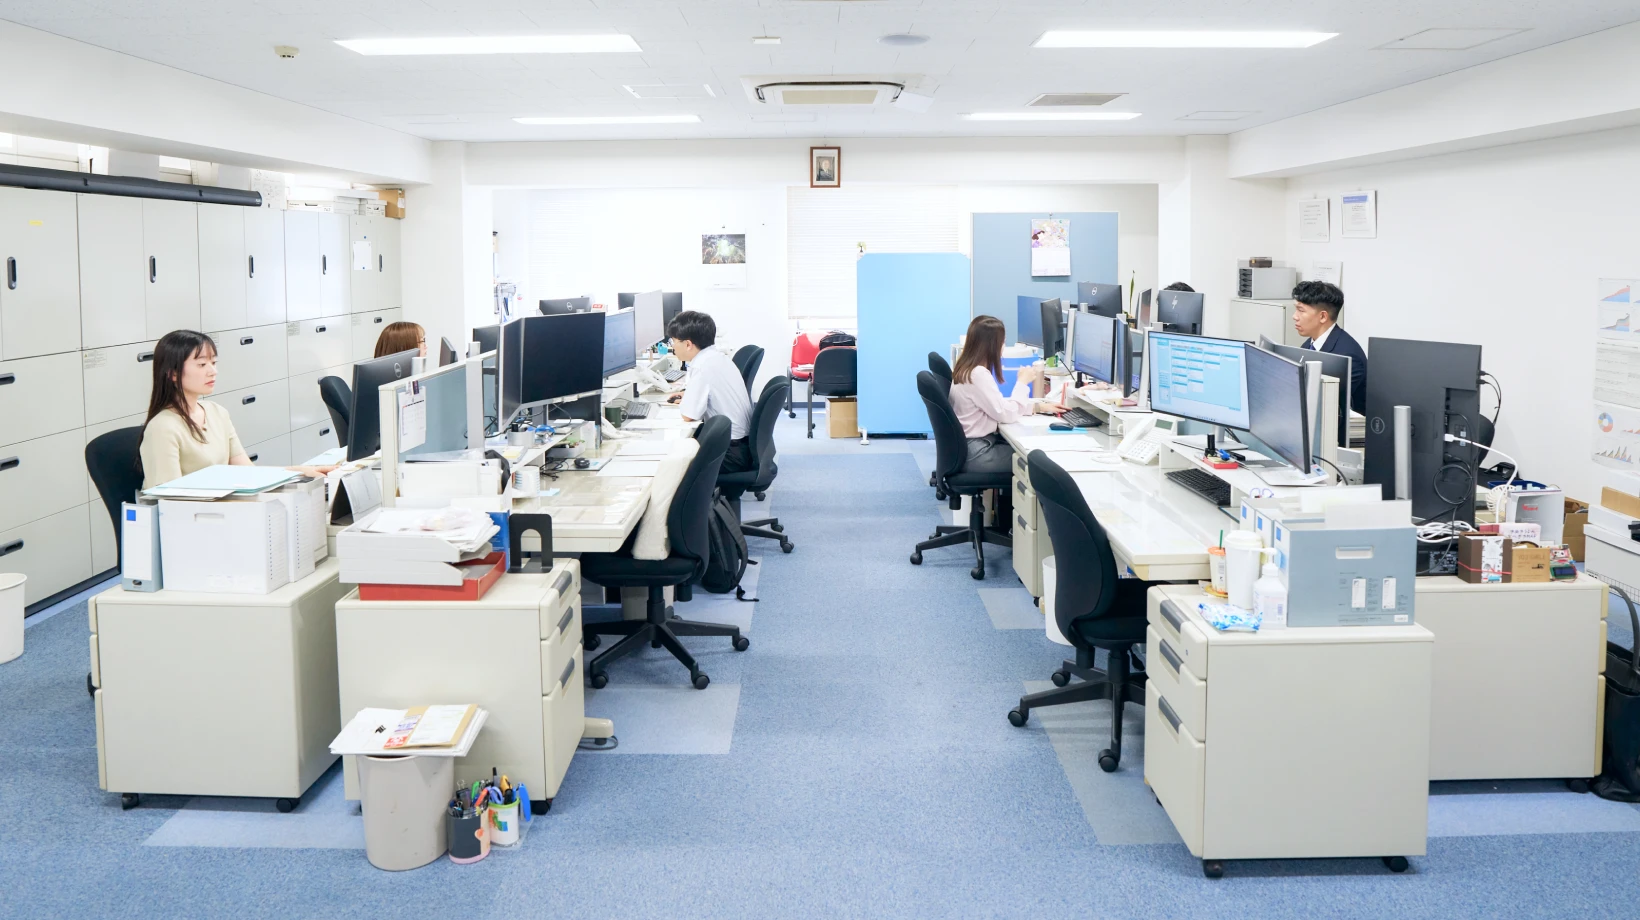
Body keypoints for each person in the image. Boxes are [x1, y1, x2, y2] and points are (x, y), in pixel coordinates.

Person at [140, 330, 335, 489]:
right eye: (202, 364)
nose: (213, 371)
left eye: (213, 363)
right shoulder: (162, 428)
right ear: (173, 374)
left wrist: (301, 472)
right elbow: (168, 498)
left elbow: (248, 472)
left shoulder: (217, 412)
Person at [949, 315, 1056, 475]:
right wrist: (1022, 382)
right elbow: (1006, 414)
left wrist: (1037, 407)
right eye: (1003, 342)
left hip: (969, 448)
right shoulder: (977, 374)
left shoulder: (966, 368)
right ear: (992, 345)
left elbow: (998, 406)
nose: (1003, 347)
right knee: (1041, 461)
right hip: (977, 453)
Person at [663, 311, 755, 474]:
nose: (672, 347)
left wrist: (688, 399)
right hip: (740, 446)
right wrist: (689, 394)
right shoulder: (716, 357)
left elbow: (689, 415)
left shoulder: (701, 366)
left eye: (674, 341)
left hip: (731, 454)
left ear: (688, 344)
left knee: (672, 465)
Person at [1292, 280, 1367, 414]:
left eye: (1301, 310)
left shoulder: (1347, 357)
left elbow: (1327, 404)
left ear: (1322, 316)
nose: (1294, 316)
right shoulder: (1309, 345)